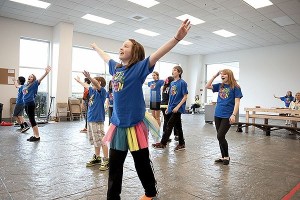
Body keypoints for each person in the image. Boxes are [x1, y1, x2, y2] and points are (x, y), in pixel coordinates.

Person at [91, 19, 191, 200]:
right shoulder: (116, 68)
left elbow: (158, 54)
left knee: (141, 162)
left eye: (126, 46)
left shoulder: (139, 68)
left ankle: (150, 193)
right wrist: (96, 47)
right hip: (117, 124)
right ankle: (112, 197)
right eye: (121, 46)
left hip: (135, 124)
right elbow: (106, 57)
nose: (121, 48)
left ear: (134, 52)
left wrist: (176, 38)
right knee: (115, 165)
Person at [205, 69, 243, 165]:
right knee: (220, 137)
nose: (222, 76)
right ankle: (223, 156)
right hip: (217, 114)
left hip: (227, 115)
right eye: (221, 74)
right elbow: (207, 86)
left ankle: (226, 156)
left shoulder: (235, 87)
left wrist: (233, 114)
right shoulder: (220, 85)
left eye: (224, 74)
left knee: (220, 136)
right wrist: (214, 75)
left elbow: (237, 102)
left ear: (229, 75)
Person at [74, 71, 109, 171]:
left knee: (102, 139)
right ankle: (97, 157)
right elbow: (86, 85)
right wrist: (80, 81)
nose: (92, 84)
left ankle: (106, 159)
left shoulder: (102, 92)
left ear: (99, 84)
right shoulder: (92, 91)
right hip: (90, 119)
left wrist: (89, 77)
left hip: (98, 120)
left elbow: (96, 84)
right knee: (95, 140)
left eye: (94, 82)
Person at [152, 66, 188, 151]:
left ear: (179, 72)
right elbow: (170, 97)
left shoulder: (182, 83)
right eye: (172, 70)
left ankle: (163, 143)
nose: (173, 71)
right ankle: (182, 143)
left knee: (169, 125)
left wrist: (178, 106)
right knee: (178, 126)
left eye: (175, 70)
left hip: (177, 108)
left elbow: (185, 96)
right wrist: (168, 107)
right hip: (171, 107)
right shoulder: (172, 83)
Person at [23, 66, 51, 142]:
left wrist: (46, 73)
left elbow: (40, 79)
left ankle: (37, 136)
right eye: (29, 76)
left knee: (32, 120)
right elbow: (24, 93)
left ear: (33, 79)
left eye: (31, 77)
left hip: (31, 104)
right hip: (26, 104)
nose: (29, 77)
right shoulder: (25, 85)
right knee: (30, 120)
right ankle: (34, 134)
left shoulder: (34, 84)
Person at [160, 76, 179, 141]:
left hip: (162, 105)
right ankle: (176, 135)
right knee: (174, 121)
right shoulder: (172, 88)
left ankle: (165, 136)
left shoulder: (164, 88)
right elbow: (173, 97)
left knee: (166, 121)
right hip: (169, 106)